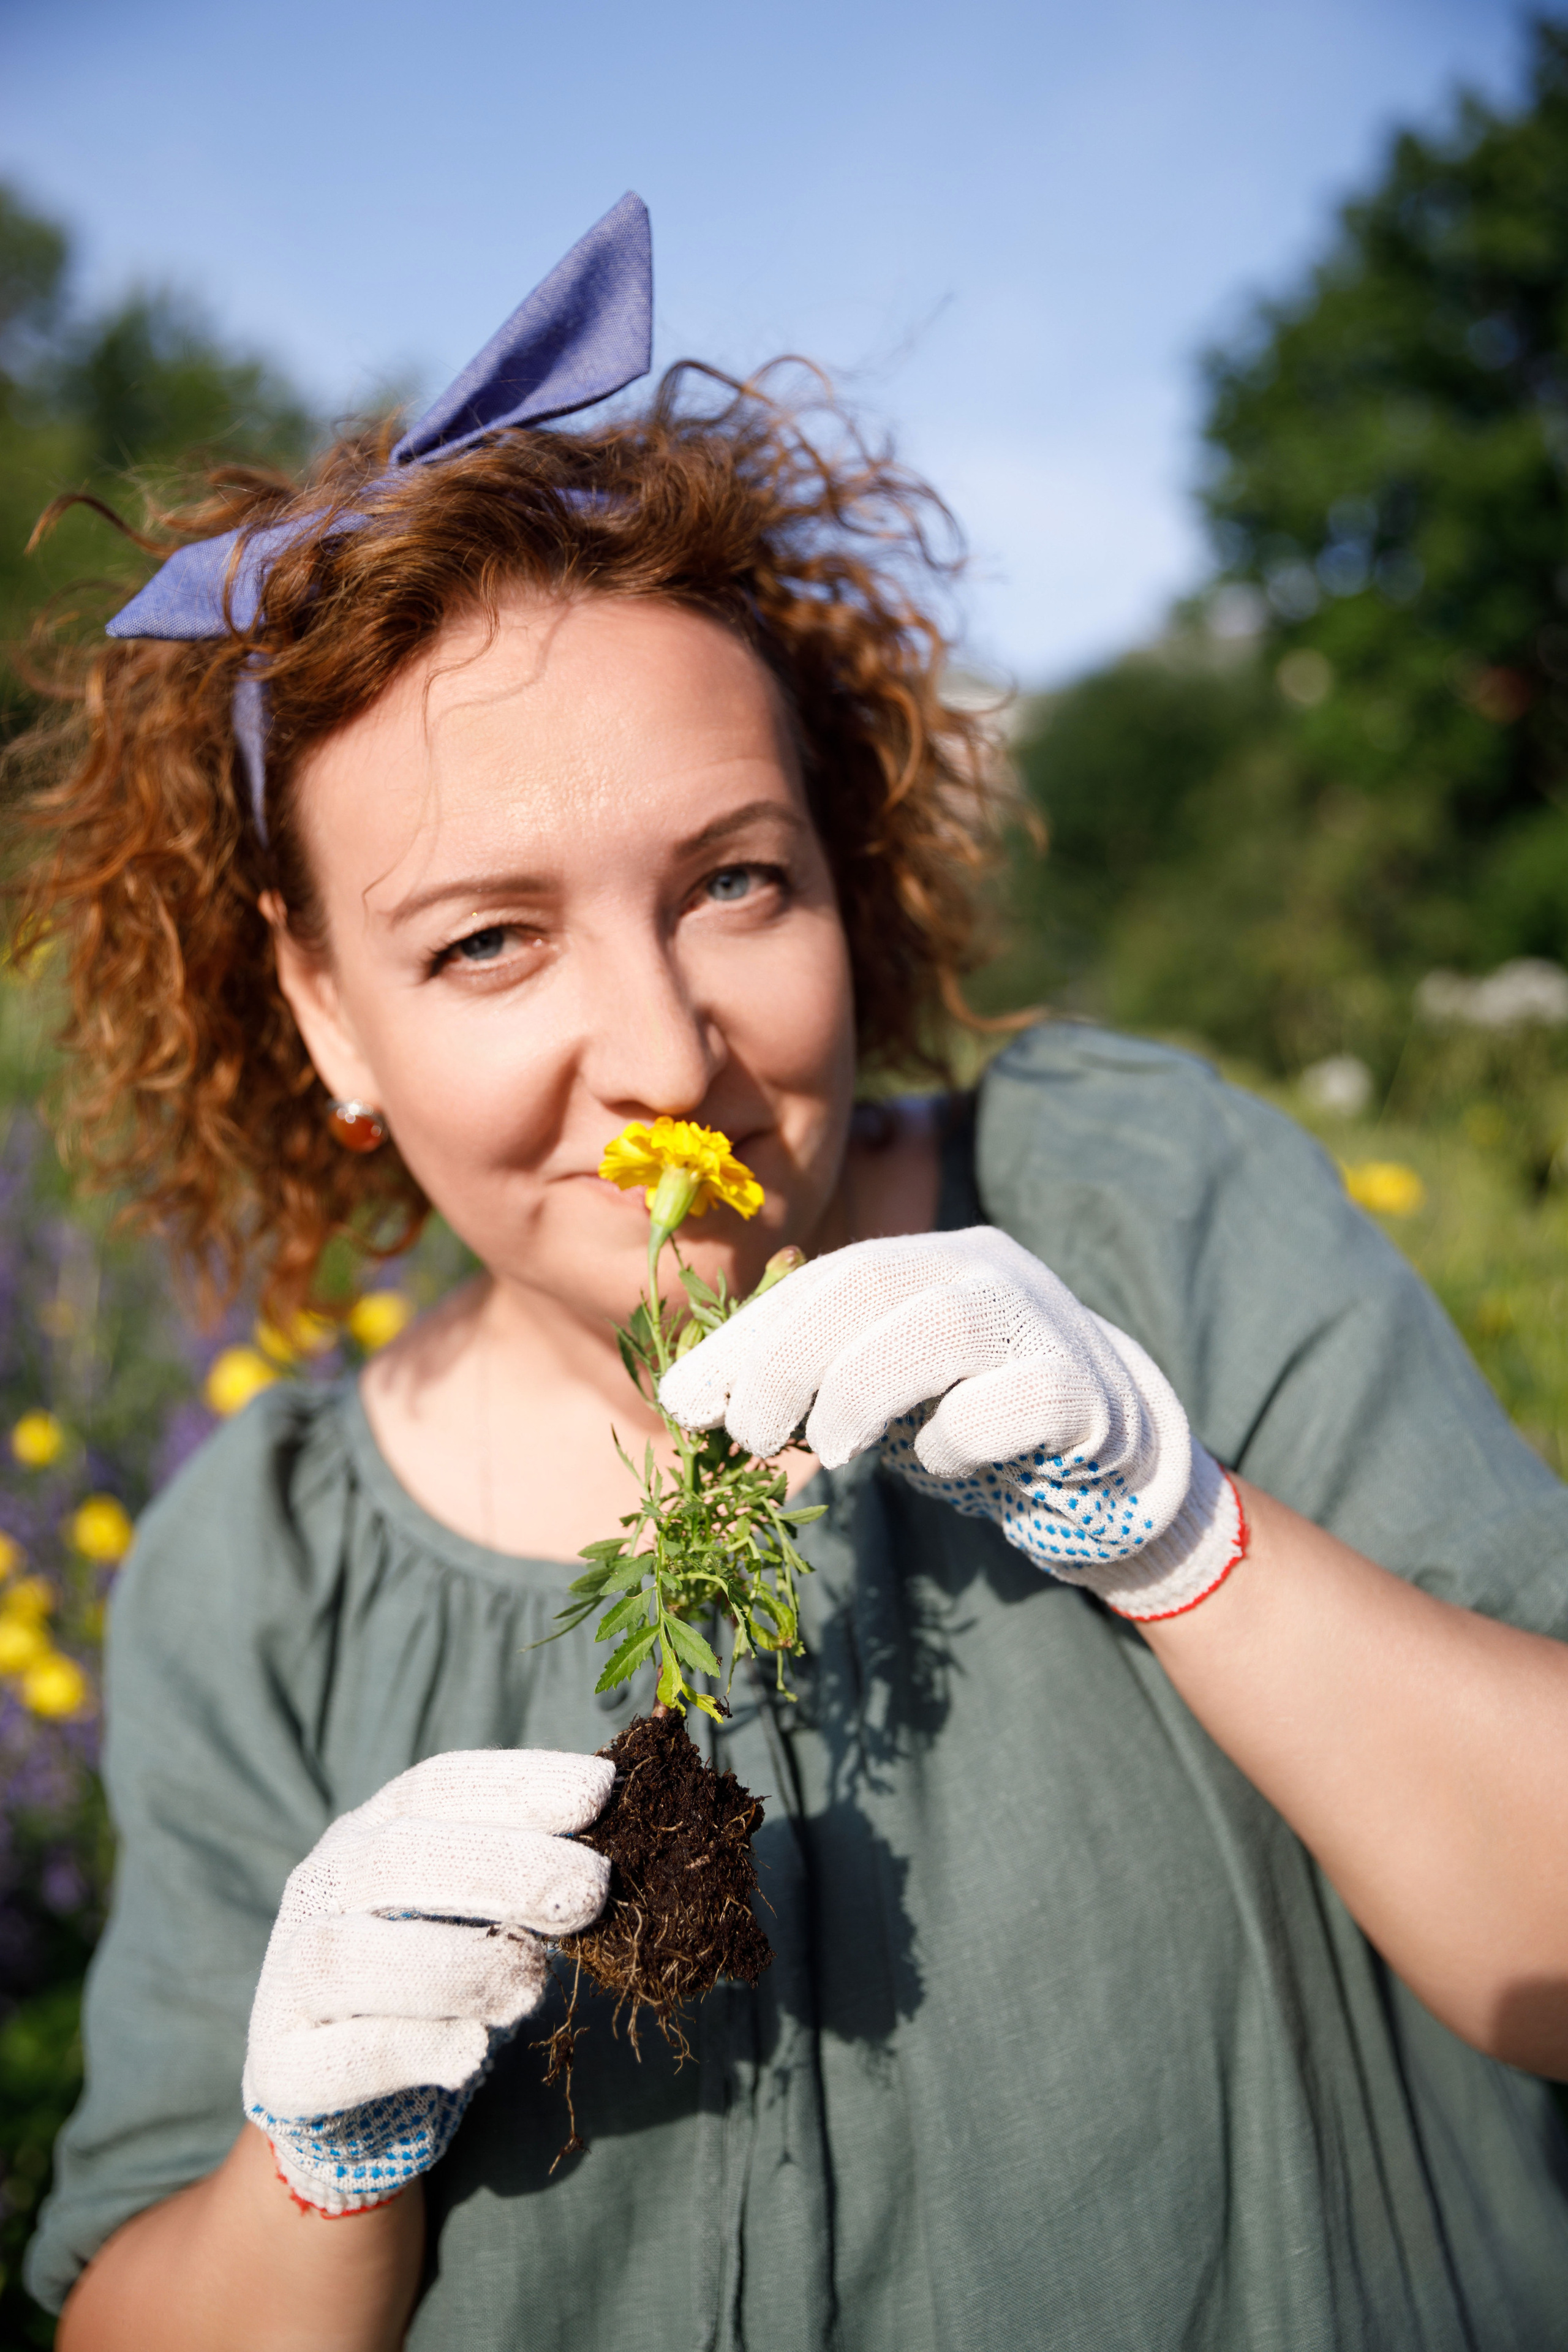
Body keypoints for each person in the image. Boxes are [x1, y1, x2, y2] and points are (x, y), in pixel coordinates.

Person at [16, 195, 1568, 2352]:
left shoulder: (1142, 1208)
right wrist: (309, 2172)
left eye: (735, 883)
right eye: (487, 940)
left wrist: (1189, 1534)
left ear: (844, 865)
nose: (667, 1059)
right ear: (326, 1017)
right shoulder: (253, 1579)